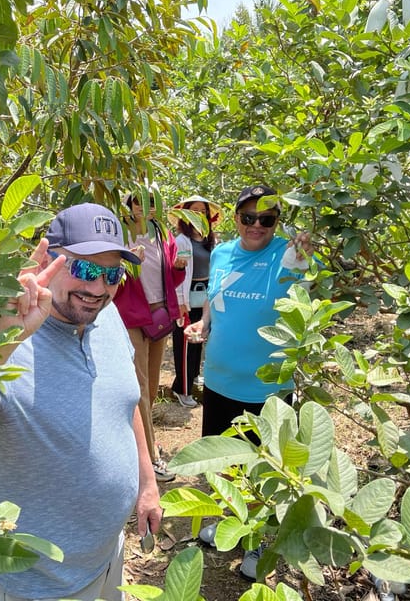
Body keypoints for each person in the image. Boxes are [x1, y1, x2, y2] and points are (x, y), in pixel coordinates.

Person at [0, 203, 163, 601]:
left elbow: (123, 404)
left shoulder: (105, 317)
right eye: (85, 269)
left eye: (111, 274)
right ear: (50, 260)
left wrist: (147, 484)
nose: (98, 288)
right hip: (36, 585)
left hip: (108, 559)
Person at [184, 184, 315, 581]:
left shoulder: (288, 254)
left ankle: (259, 541)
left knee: (266, 469)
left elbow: (303, 292)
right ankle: (232, 521)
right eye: (248, 217)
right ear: (236, 217)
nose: (255, 225)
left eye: (266, 218)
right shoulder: (222, 252)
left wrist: (303, 258)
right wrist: (204, 323)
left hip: (268, 388)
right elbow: (214, 296)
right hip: (220, 380)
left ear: (277, 221)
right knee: (224, 459)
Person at [113, 192, 186, 482]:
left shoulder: (162, 233)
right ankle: (150, 458)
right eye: (138, 202)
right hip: (132, 315)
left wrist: (178, 269)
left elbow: (168, 277)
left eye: (151, 202)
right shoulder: (121, 234)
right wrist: (128, 264)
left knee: (153, 386)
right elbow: (109, 276)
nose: (145, 207)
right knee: (140, 384)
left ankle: (142, 437)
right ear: (128, 206)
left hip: (159, 314)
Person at [169, 195, 221, 408]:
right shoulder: (181, 241)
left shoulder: (212, 240)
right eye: (194, 210)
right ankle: (181, 388)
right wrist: (180, 301)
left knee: (200, 338)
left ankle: (192, 376)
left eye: (203, 211)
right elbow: (178, 273)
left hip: (206, 296)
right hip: (187, 297)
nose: (199, 215)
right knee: (185, 345)